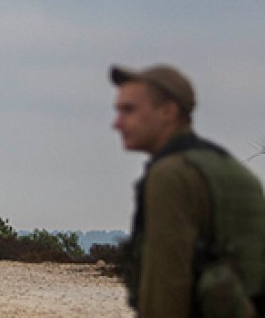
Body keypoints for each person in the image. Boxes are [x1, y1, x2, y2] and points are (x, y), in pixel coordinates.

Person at [110, 63, 265, 317]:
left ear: (168, 111)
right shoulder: (234, 171)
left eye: (129, 110)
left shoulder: (170, 175)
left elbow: (166, 287)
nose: (117, 123)